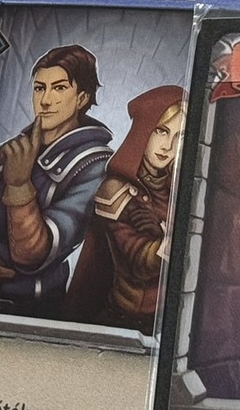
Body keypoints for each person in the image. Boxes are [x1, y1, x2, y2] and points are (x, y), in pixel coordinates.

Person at [0, 45, 112, 318]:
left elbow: (34, 254)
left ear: (82, 98)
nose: (45, 100)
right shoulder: (10, 151)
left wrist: (19, 186)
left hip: (37, 310)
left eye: (59, 88)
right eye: (40, 88)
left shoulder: (94, 165)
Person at [67, 86, 186, 333]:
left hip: (169, 323)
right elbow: (139, 260)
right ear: (145, 130)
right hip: (127, 321)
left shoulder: (174, 189)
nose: (168, 145)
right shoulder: (115, 192)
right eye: (161, 131)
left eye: (179, 136)